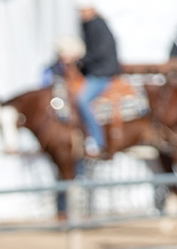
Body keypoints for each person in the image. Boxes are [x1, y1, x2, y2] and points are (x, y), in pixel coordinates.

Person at [73, 2, 120, 158]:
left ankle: (97, 141)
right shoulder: (93, 25)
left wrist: (82, 62)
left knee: (83, 100)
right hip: (98, 71)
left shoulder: (95, 26)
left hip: (102, 73)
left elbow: (99, 51)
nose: (80, 15)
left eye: (82, 11)